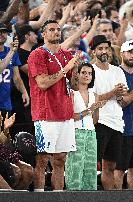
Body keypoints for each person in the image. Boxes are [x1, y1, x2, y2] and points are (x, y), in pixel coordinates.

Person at [27, 19, 81, 191]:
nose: (56, 32)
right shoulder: (37, 54)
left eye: (58, 30)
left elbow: (74, 85)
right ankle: (40, 198)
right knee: (42, 159)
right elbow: (42, 83)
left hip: (65, 113)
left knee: (60, 160)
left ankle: (58, 197)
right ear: (43, 34)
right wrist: (66, 69)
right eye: (51, 29)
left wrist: (76, 71)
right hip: (45, 114)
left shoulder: (66, 55)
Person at [91, 35, 128, 190]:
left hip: (117, 123)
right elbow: (92, 99)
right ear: (93, 52)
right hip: (100, 122)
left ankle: (110, 199)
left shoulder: (117, 71)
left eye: (107, 48)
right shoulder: (90, 70)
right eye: (100, 49)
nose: (104, 51)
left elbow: (122, 98)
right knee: (93, 164)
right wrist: (113, 92)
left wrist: (119, 95)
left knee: (111, 166)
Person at [65, 62, 106, 190]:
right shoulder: (72, 93)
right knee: (75, 166)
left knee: (90, 167)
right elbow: (70, 116)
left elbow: (94, 120)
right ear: (78, 74)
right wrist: (89, 110)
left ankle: (90, 196)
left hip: (91, 133)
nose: (87, 75)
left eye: (90, 73)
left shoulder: (94, 95)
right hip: (76, 132)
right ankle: (73, 196)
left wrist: (97, 108)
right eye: (84, 72)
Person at [114, 40, 133, 189]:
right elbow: (123, 102)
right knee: (119, 169)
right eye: (130, 52)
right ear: (122, 53)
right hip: (123, 129)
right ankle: (116, 201)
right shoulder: (116, 73)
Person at [0, 23, 29, 119]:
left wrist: (24, 92)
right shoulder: (12, 51)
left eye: (4, 32)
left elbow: (16, 77)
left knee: (4, 134)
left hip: (6, 103)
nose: (2, 34)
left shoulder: (12, 51)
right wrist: (11, 52)